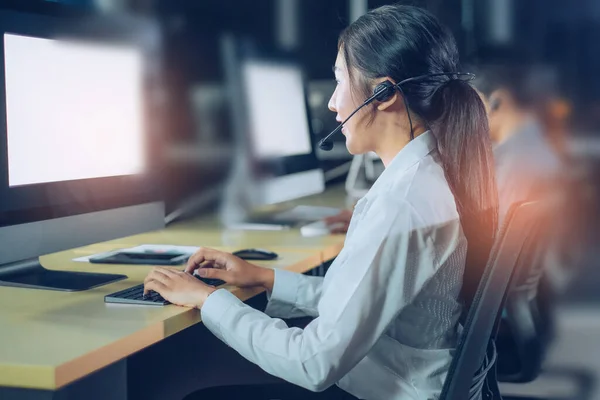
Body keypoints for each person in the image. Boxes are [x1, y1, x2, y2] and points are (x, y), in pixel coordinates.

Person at [143, 5, 498, 400]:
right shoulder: (428, 176)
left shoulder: (403, 205)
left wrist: (207, 300)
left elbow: (312, 363)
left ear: (383, 94)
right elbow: (363, 300)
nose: (332, 103)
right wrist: (266, 278)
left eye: (339, 81)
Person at [470, 63, 563, 224]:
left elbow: (498, 234)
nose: (469, 115)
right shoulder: (539, 147)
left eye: (473, 104)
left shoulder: (513, 162)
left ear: (498, 100)